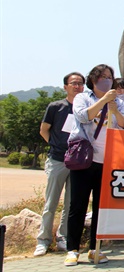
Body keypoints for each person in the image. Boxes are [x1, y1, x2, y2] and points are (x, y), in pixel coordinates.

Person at [64, 64, 124, 266]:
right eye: (102, 76)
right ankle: (73, 249)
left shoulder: (118, 101)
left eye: (109, 76)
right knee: (78, 205)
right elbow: (84, 116)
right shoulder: (83, 97)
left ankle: (95, 248)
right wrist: (103, 101)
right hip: (85, 158)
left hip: (108, 161)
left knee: (101, 207)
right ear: (93, 79)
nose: (107, 79)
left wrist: (113, 108)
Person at [34, 72, 85, 257]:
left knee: (71, 204)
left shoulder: (85, 108)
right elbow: (44, 130)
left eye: (80, 83)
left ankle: (62, 237)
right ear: (65, 87)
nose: (77, 86)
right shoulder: (56, 107)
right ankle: (43, 240)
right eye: (74, 83)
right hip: (57, 160)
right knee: (51, 202)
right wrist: (55, 146)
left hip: (78, 162)